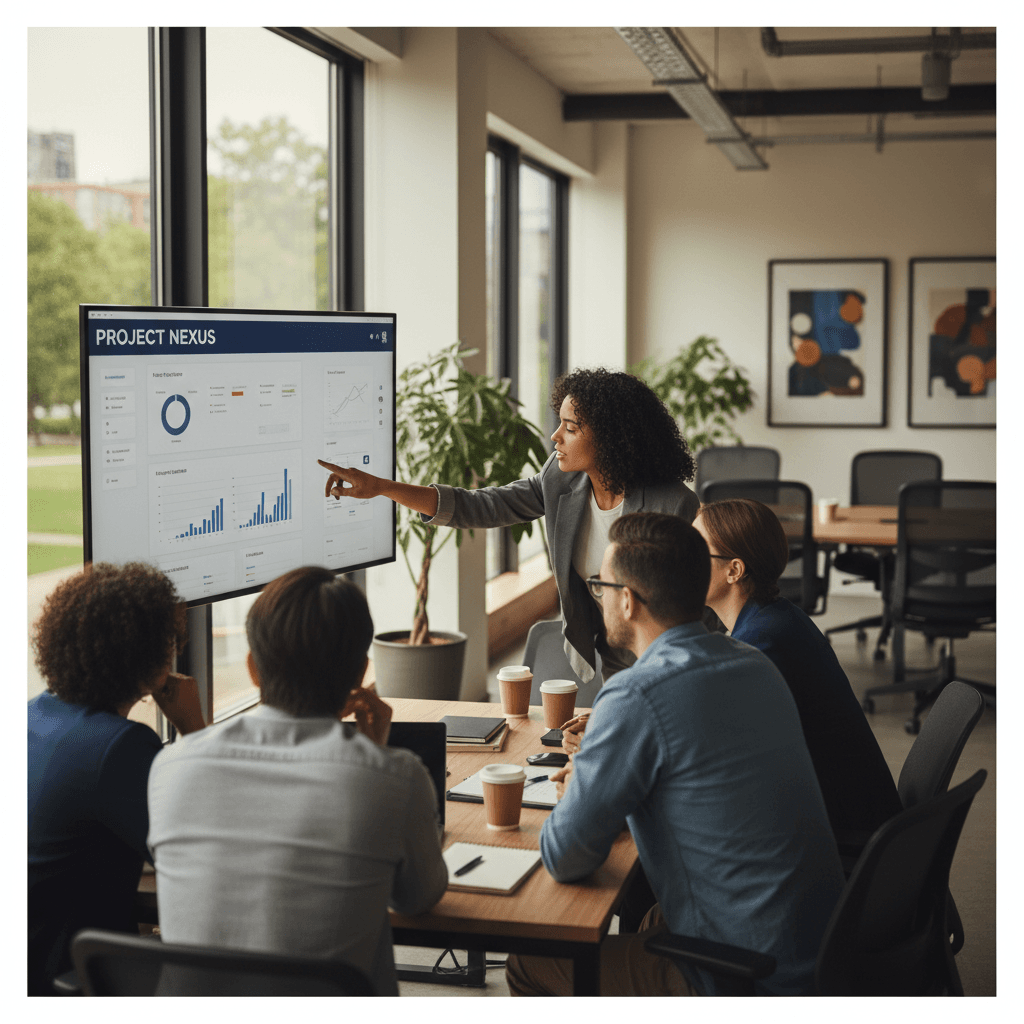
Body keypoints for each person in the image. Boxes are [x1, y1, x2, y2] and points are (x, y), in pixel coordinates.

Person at [505, 513, 844, 997]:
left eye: (601, 586)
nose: (598, 597)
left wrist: (581, 785)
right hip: (817, 946)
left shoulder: (636, 694)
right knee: (648, 916)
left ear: (627, 600)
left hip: (748, 974)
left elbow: (565, 857)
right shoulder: (755, 663)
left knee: (529, 962)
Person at [147, 567, 448, 996]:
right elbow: (418, 898)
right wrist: (373, 758)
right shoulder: (396, 777)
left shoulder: (170, 766)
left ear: (253, 669)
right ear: (361, 674)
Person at [319, 366, 699, 684]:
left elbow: (694, 606)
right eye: (559, 423)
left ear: (611, 438)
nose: (555, 436)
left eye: (570, 428)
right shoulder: (560, 479)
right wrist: (383, 488)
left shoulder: (673, 505)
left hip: (670, 658)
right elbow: (483, 505)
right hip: (611, 652)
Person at [28, 562, 206, 996]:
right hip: (72, 977)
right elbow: (208, 854)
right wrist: (194, 727)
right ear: (153, 660)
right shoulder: (119, 747)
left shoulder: (31, 714)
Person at [693, 497, 903, 838]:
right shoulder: (776, 617)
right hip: (853, 820)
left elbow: (719, 757)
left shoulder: (762, 643)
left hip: (841, 839)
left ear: (734, 570)